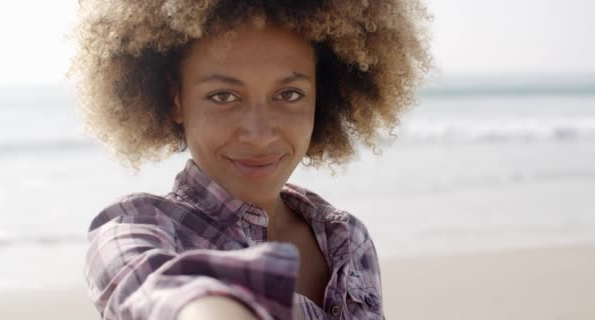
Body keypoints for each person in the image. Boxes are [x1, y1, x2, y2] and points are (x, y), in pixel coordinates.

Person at [69, 0, 432, 319]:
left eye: (289, 94)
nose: (259, 134)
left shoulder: (347, 240)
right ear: (176, 99)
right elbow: (152, 290)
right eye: (224, 96)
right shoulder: (137, 230)